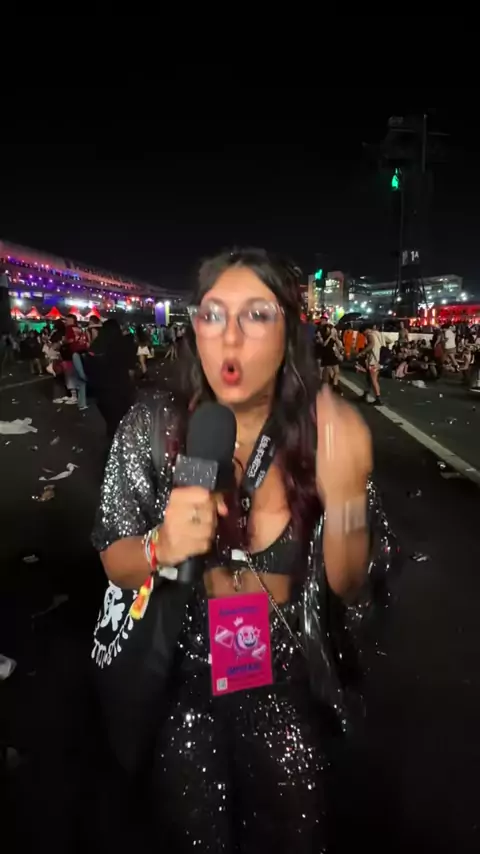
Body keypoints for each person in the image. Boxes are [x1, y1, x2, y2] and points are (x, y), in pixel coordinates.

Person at [92, 248, 397, 852]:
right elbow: (113, 561)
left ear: (290, 330)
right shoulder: (150, 428)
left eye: (256, 314)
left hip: (284, 688)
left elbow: (349, 585)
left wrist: (345, 498)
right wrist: (159, 545)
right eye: (212, 314)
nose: (229, 336)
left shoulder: (325, 432)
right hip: (182, 684)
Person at [84, 318, 136, 440]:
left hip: (101, 390)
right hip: (120, 388)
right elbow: (131, 369)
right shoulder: (123, 344)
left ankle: (112, 438)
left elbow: (89, 365)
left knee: (111, 422)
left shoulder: (97, 345)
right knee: (120, 420)